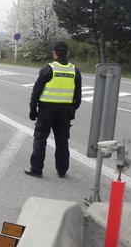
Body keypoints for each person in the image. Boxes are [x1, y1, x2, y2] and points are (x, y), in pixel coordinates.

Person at [24, 41, 81, 179]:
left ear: (54, 53)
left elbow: (36, 91)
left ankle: (37, 169)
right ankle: (62, 170)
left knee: (40, 137)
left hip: (46, 109)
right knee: (62, 140)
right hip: (65, 110)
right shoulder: (74, 70)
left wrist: (33, 108)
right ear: (67, 53)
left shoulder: (48, 69)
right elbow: (77, 96)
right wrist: (72, 109)